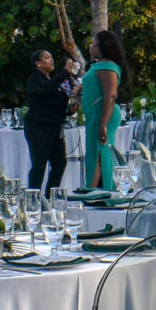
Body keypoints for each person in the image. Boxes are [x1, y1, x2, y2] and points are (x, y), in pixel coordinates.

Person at [81, 30, 129, 190]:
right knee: (95, 151)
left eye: (93, 43)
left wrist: (103, 124)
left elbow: (110, 95)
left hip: (102, 114)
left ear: (101, 46)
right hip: (96, 114)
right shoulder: (100, 66)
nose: (90, 46)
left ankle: (97, 191)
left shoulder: (108, 67)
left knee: (98, 152)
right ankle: (95, 189)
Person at [22, 47, 72, 192]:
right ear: (38, 63)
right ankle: (34, 196)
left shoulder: (53, 80)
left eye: (51, 58)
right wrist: (64, 73)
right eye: (47, 58)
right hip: (38, 127)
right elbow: (44, 91)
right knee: (39, 164)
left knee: (59, 163)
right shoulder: (35, 79)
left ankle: (51, 194)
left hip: (54, 127)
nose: (51, 60)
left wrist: (69, 109)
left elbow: (56, 102)